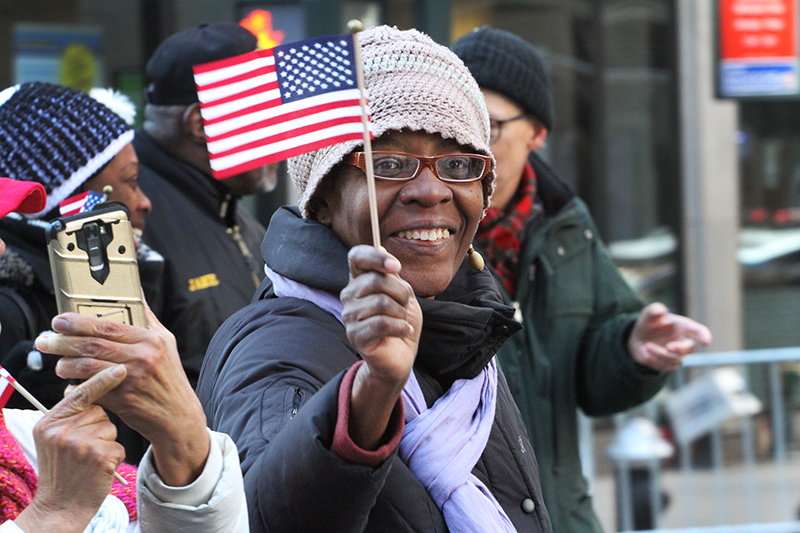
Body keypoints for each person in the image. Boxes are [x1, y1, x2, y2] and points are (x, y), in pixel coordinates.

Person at [198, 26, 553, 533]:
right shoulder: (276, 346)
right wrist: (371, 393)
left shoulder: (465, 326)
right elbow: (262, 518)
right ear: (321, 199)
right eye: (388, 163)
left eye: (457, 163)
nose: (431, 191)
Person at [452, 27, 713, 532]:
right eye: (461, 124)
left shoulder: (567, 227)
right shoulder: (424, 237)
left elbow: (592, 380)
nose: (473, 144)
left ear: (538, 133)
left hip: (561, 517)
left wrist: (633, 349)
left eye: (493, 125)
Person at [0, 177, 248, 533]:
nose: (1, 247)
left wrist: (186, 441)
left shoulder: (34, 441)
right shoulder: (54, 462)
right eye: (127, 180)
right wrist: (55, 514)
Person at [0, 81, 163, 412]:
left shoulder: (143, 267)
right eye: (130, 181)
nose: (144, 202)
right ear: (73, 200)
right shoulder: (11, 309)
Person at [135, 22, 279, 384]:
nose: (279, 132)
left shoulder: (225, 204)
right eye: (261, 113)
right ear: (200, 124)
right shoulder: (131, 219)